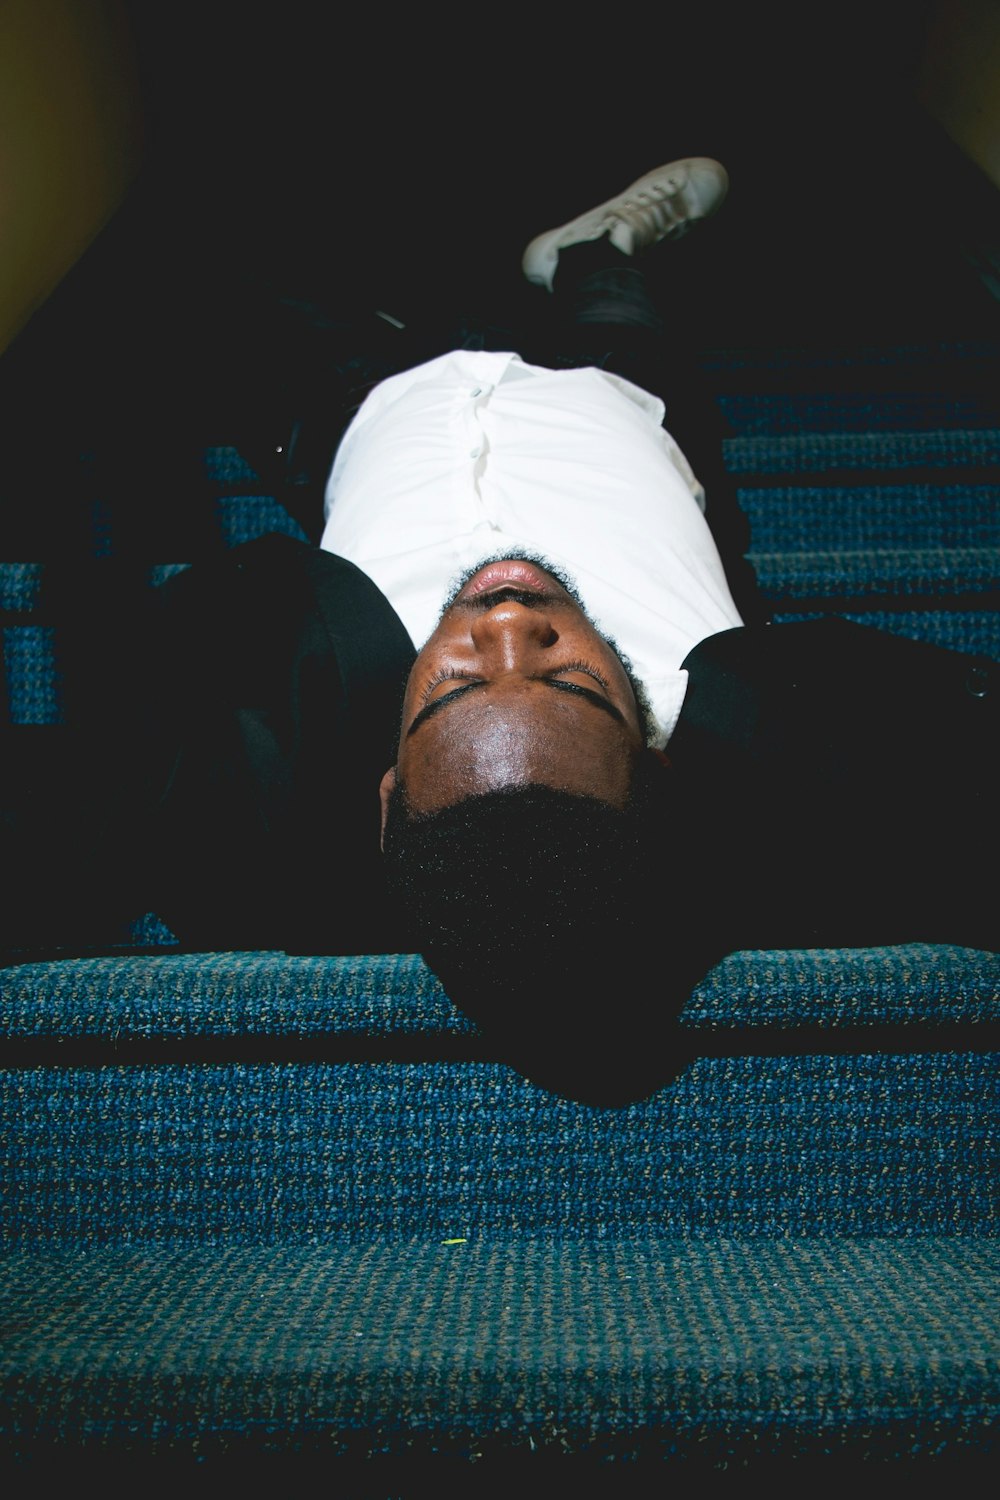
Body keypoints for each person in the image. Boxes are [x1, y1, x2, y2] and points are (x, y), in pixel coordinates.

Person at [3, 158, 996, 1105]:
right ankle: (594, 244)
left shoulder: (250, 802)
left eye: (451, 687)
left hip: (374, 417)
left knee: (230, 299)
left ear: (385, 797)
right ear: (657, 772)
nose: (510, 625)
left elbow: (65, 810)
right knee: (608, 294)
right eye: (575, 685)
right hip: (616, 411)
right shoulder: (768, 761)